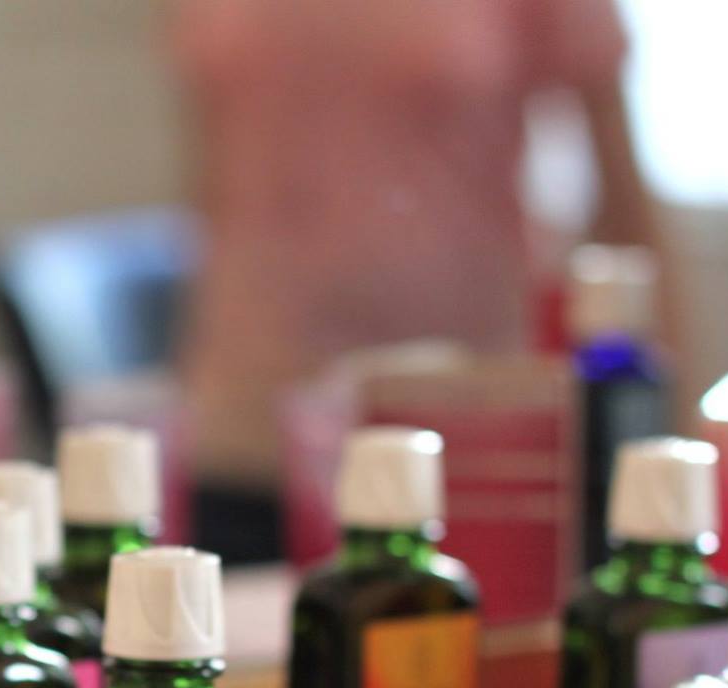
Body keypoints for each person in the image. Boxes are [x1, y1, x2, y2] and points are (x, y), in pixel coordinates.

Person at [169, 0, 670, 558]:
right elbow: (213, 186)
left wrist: (663, 439)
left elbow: (626, 210)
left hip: (465, 445)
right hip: (244, 433)